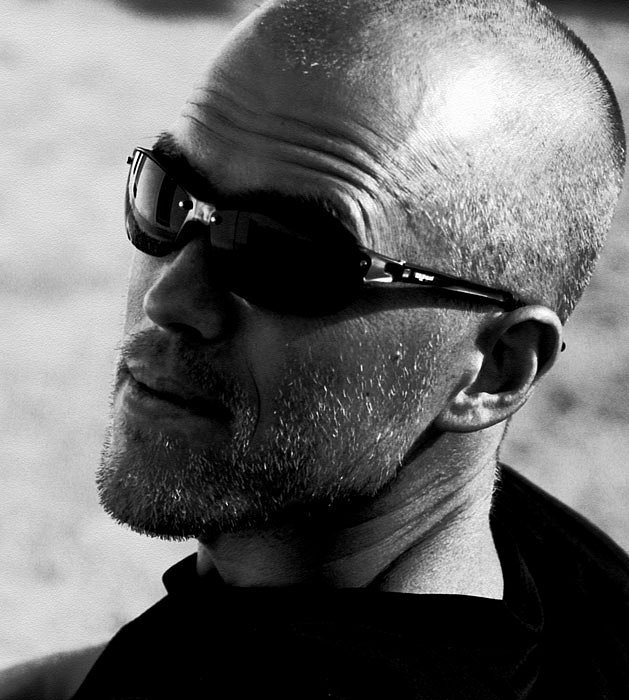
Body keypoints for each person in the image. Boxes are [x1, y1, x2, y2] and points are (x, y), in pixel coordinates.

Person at [2, 0, 628, 697]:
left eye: (285, 254)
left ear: (496, 369)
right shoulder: (545, 565)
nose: (170, 300)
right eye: (168, 196)